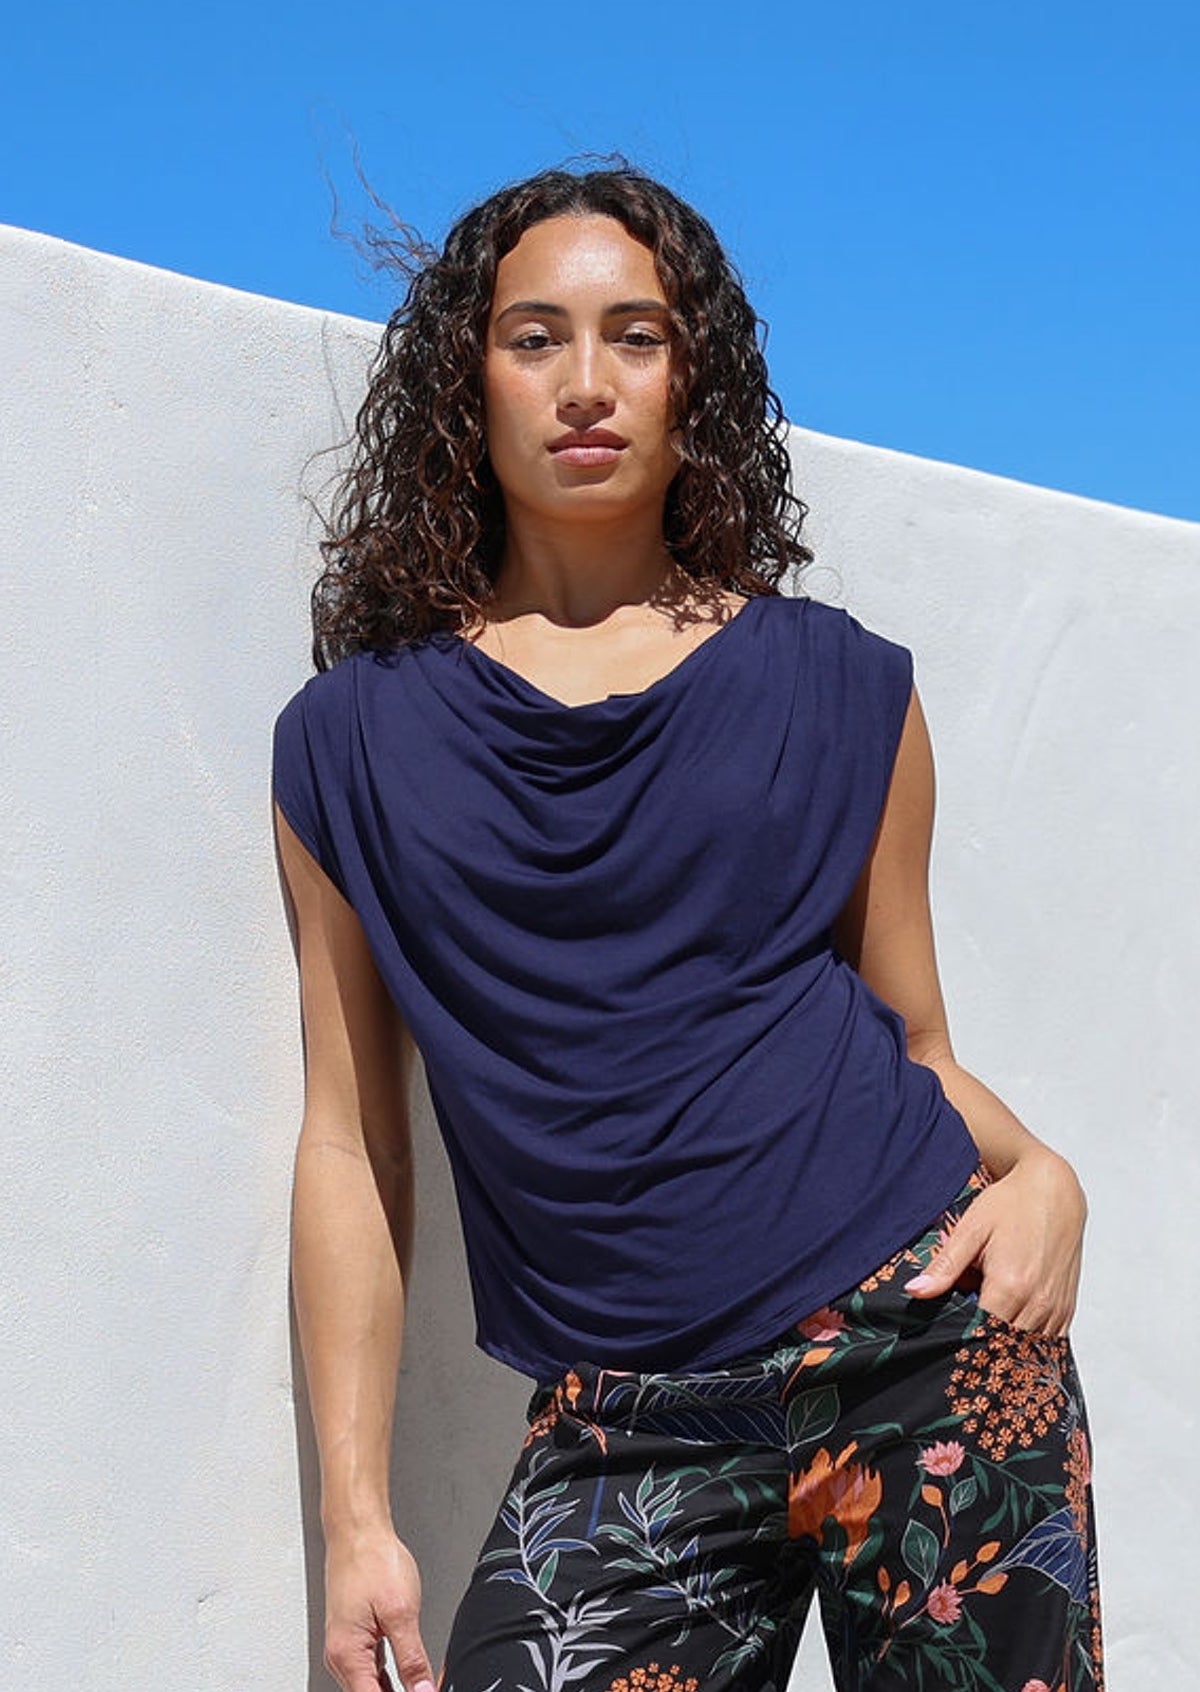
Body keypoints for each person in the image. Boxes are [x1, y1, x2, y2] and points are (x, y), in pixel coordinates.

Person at [271, 164, 1104, 1692]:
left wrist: (1046, 1173)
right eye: (536, 336)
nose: (587, 383)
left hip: (922, 1347)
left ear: (690, 377)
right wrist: (357, 1521)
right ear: (468, 376)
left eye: (635, 336)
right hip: (621, 1419)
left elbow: (914, 1042)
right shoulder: (347, 741)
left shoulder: (842, 685)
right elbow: (351, 1142)